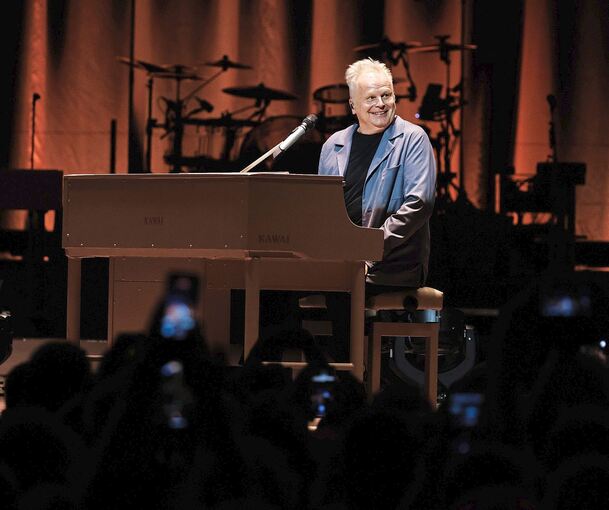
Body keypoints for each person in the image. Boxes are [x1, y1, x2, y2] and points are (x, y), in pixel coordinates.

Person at [318, 57, 436, 292]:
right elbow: (323, 211)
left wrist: (367, 252)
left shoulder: (413, 138)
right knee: (274, 286)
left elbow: (419, 204)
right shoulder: (333, 145)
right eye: (371, 98)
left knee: (341, 290)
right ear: (353, 106)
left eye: (387, 95)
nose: (380, 104)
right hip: (341, 261)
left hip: (392, 266)